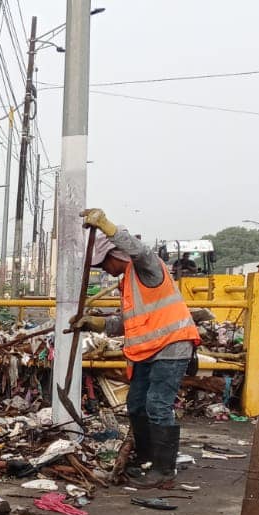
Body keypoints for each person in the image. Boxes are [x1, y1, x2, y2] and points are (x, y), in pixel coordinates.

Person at [72, 208, 201, 488]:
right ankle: (146, 460)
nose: (103, 269)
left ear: (118, 255)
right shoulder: (128, 284)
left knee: (157, 405)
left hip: (171, 346)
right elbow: (127, 322)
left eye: (104, 262)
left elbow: (141, 251)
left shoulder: (147, 270)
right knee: (136, 404)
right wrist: (96, 323)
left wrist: (107, 226)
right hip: (147, 351)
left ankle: (164, 471)